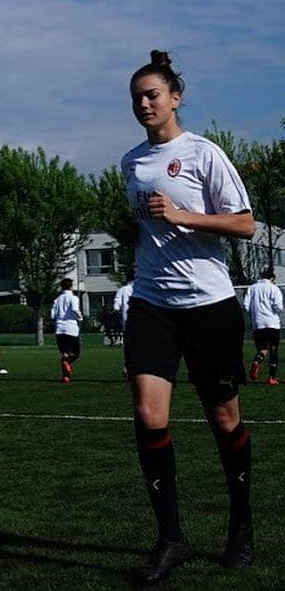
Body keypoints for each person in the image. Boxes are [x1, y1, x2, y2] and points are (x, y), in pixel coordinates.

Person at [121, 50, 257, 582]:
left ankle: (241, 525)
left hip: (209, 306)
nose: (144, 104)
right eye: (136, 98)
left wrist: (182, 215)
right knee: (149, 416)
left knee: (224, 419)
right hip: (152, 303)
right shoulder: (131, 162)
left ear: (176, 97)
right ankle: (170, 539)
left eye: (152, 94)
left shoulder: (204, 154)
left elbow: (245, 224)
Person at [244, 268, 282, 386]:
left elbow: (246, 306)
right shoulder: (274, 288)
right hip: (273, 323)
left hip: (258, 324)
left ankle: (257, 361)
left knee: (263, 349)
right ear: (272, 278)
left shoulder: (252, 288)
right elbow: (278, 307)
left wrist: (255, 315)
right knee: (273, 351)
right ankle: (271, 378)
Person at [50, 278, 82, 382]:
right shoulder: (73, 298)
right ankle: (67, 363)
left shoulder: (58, 299)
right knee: (76, 353)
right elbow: (75, 309)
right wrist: (80, 317)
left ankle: (66, 377)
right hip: (71, 328)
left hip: (59, 329)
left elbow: (52, 314)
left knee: (64, 353)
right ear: (71, 286)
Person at [114, 277, 135, 377]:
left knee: (128, 346)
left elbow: (116, 306)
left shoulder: (122, 290)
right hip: (143, 321)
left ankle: (127, 367)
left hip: (127, 322)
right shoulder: (141, 288)